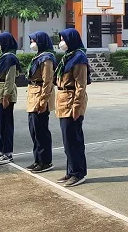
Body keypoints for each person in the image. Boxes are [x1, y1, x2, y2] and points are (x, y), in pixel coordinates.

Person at [55, 28, 90, 187]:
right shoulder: (67, 57)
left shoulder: (79, 58)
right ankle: (71, 170)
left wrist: (77, 106)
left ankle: (78, 173)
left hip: (72, 101)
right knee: (67, 139)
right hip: (63, 101)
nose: (61, 42)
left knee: (74, 139)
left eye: (64, 38)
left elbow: (81, 85)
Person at [26, 31, 57, 173]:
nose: (32, 43)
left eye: (34, 41)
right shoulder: (38, 57)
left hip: (40, 95)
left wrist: (43, 101)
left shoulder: (47, 58)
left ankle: (46, 161)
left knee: (41, 131)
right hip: (33, 94)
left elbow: (48, 80)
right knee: (34, 130)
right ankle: (37, 159)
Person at [0, 32, 21, 165]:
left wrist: (6, 96)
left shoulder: (10, 59)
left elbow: (10, 79)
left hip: (4, 93)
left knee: (6, 124)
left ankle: (8, 153)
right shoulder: (3, 57)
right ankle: (0, 150)